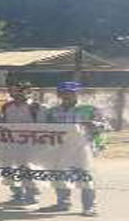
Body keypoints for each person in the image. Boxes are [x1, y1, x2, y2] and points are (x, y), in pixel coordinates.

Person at [39, 81, 105, 217]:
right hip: (60, 149)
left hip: (83, 149)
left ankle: (89, 207)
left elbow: (105, 126)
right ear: (58, 94)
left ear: (77, 93)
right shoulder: (53, 111)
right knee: (60, 176)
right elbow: (48, 130)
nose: (66, 95)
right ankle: (63, 204)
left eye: (70, 92)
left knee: (85, 178)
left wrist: (93, 124)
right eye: (63, 92)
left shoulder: (90, 109)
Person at [0, 82, 44, 205]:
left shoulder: (36, 107)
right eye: (12, 91)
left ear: (27, 92)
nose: (15, 94)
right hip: (11, 143)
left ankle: (31, 195)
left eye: (19, 91)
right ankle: (16, 194)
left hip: (30, 144)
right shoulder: (6, 107)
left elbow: (43, 127)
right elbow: (3, 123)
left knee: (27, 169)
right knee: (10, 169)